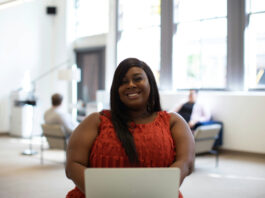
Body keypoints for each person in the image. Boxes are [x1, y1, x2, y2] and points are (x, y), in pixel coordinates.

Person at [65, 58, 195, 198]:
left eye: (137, 79)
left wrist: (159, 189)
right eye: (123, 82)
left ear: (150, 82)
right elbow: (73, 165)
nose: (131, 85)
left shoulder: (173, 122)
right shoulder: (96, 121)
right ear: (116, 90)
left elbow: (186, 162)